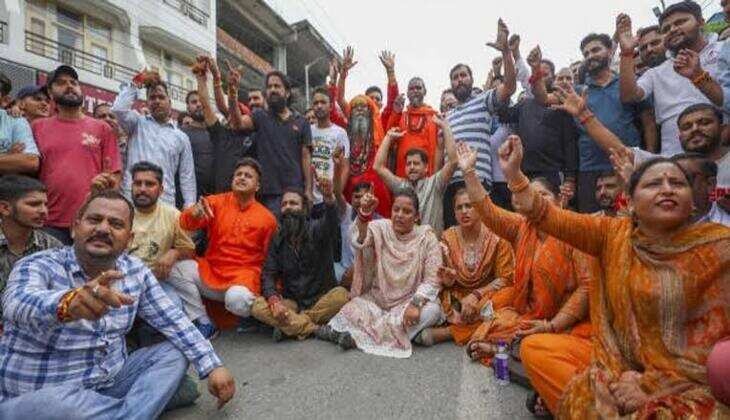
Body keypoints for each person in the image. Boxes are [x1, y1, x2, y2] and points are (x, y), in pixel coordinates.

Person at [496, 134, 730, 418]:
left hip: (691, 380)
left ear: (691, 201)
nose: (667, 189)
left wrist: (653, 386)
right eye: (654, 184)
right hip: (618, 363)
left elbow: (716, 354)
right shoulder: (611, 235)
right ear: (631, 201)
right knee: (536, 349)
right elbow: (544, 214)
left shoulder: (719, 245)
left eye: (678, 183)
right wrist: (514, 175)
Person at [0, 190, 235, 418]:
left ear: (129, 239)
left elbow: (174, 321)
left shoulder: (135, 271)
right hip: (40, 395)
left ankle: (119, 412)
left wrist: (212, 366)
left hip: (109, 383)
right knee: (60, 404)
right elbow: (16, 303)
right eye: (94, 220)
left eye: (116, 224)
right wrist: (67, 303)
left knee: (175, 351)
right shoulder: (37, 264)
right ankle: (133, 410)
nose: (103, 229)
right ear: (74, 228)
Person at [455, 141, 592, 370]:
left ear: (559, 200)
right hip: (529, 314)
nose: (536, 201)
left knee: (568, 345)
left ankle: (509, 351)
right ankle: (512, 351)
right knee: (493, 316)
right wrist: (469, 172)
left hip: (565, 320)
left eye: (543, 195)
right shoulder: (522, 226)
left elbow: (587, 288)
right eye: (532, 196)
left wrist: (552, 325)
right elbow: (488, 212)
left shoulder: (573, 230)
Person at [554, 86, 730, 224]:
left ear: (723, 129)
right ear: (679, 136)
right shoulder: (668, 165)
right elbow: (620, 151)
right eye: (686, 127)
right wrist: (584, 115)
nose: (695, 129)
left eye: (704, 122)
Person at [320, 188, 443, 357]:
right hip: (378, 301)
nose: (399, 215)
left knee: (432, 311)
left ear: (417, 216)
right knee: (352, 309)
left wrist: (415, 304)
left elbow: (432, 279)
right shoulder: (381, 228)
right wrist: (364, 214)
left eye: (407, 211)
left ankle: (356, 336)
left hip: (407, 303)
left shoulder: (426, 238)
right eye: (396, 209)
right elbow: (359, 240)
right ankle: (376, 334)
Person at [617, 3, 725, 157]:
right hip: (675, 160)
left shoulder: (724, 50)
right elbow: (629, 96)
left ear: (701, 22)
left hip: (722, 151)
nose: (673, 29)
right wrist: (626, 53)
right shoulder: (655, 73)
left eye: (681, 22)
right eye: (666, 29)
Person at [124, 161, 217, 337]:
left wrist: (174, 252)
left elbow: (189, 250)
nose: (142, 189)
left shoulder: (172, 214)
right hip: (123, 282)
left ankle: (200, 322)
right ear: (131, 186)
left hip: (156, 282)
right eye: (138, 183)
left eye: (149, 184)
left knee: (174, 306)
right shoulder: (121, 212)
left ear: (161, 190)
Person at [179, 158, 277, 320]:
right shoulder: (215, 203)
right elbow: (184, 223)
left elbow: (272, 259)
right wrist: (193, 214)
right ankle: (202, 320)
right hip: (211, 273)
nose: (242, 178)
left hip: (242, 280)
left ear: (257, 186)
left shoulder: (267, 219)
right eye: (238, 174)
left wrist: (273, 292)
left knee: (236, 299)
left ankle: (249, 320)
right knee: (177, 269)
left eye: (248, 176)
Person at [33, 65, 121, 244]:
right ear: (50, 92)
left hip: (91, 222)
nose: (69, 86)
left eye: (73, 82)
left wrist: (107, 186)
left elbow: (115, 175)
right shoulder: (37, 127)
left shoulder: (102, 128)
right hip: (48, 222)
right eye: (61, 83)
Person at [416, 188, 514, 347]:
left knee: (510, 296)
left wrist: (477, 295)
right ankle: (475, 326)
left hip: (487, 297)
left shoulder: (497, 238)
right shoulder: (448, 238)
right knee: (437, 299)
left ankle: (450, 333)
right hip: (458, 300)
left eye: (469, 206)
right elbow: (441, 280)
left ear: (480, 208)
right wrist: (448, 281)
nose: (464, 211)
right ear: (454, 213)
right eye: (459, 208)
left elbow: (506, 279)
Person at [252, 182, 349, 341]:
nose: (288, 207)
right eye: (284, 204)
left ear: (304, 209)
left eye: (293, 203)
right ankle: (317, 330)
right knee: (257, 306)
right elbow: (268, 274)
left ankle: (291, 326)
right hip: (293, 303)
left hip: (322, 300)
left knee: (342, 296)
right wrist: (274, 301)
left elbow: (332, 222)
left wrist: (329, 199)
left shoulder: (317, 229)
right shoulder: (277, 238)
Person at [444, 18, 516, 228]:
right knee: (455, 238)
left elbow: (509, 87)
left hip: (479, 180)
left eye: (463, 75)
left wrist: (506, 51)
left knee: (484, 234)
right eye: (455, 77)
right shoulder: (447, 116)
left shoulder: (483, 101)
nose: (459, 79)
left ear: (471, 79)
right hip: (451, 183)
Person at [571, 32, 642, 213]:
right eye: (586, 53)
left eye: (595, 50)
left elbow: (647, 120)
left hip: (627, 162)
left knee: (630, 216)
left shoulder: (627, 82)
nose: (590, 56)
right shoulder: (578, 91)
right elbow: (543, 97)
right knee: (591, 222)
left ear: (610, 51)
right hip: (590, 167)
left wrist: (647, 155)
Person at [227, 71, 312, 216]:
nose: (272, 89)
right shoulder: (260, 116)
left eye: (277, 86)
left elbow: (306, 157)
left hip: (294, 193)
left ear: (287, 93)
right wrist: (232, 94)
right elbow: (238, 124)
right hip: (267, 195)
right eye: (269, 87)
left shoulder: (302, 122)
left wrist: (308, 190)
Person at [501, 45, 579, 197]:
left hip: (553, 173)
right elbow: (503, 114)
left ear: (553, 78)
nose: (539, 77)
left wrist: (570, 178)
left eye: (544, 74)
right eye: (536, 72)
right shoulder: (524, 104)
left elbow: (570, 142)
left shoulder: (561, 104)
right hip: (524, 173)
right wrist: (508, 81)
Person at [112, 69, 196, 208]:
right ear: (147, 103)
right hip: (132, 198)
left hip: (164, 202)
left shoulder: (181, 137)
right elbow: (118, 109)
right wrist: (137, 82)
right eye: (152, 98)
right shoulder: (136, 123)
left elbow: (187, 176)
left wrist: (189, 206)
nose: (157, 101)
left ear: (170, 102)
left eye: (161, 97)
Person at [374, 116, 458, 236]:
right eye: (409, 164)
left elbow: (453, 161)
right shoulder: (401, 186)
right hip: (406, 246)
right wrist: (388, 137)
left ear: (426, 167)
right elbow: (378, 167)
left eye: (416, 163)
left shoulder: (435, 183)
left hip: (432, 245)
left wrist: (445, 127)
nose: (412, 167)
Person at [0, 176, 62, 319]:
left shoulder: (52, 248)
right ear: (5, 208)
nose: (44, 211)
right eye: (34, 204)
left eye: (45, 204)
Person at [193, 57, 254, 194]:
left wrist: (230, 88)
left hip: (244, 197)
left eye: (238, 113)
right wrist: (201, 78)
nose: (232, 115)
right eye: (231, 112)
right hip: (220, 197)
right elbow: (206, 105)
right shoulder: (220, 133)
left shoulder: (253, 138)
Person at [386, 77, 440, 177]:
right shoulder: (401, 116)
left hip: (427, 177)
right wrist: (396, 113)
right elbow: (389, 139)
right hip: (403, 177)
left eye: (418, 88)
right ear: (407, 93)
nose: (415, 91)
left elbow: (440, 148)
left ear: (425, 91)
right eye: (411, 89)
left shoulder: (434, 117)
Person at [309, 86, 350, 212]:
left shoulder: (340, 133)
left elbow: (345, 167)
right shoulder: (307, 131)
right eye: (316, 103)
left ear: (331, 106)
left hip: (330, 199)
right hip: (310, 199)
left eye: (323, 102)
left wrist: (336, 193)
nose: (319, 106)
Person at [181, 90, 215, 199]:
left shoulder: (216, 132)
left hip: (214, 196)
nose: (199, 104)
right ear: (188, 107)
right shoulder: (181, 134)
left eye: (201, 101)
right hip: (188, 197)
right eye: (194, 102)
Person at [0, 87, 39, 176]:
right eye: (36, 99)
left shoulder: (14, 119)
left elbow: (30, 162)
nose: (44, 104)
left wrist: (7, 158)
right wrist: (8, 157)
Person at [93, 103, 128, 170]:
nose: (108, 119)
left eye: (112, 116)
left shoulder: (128, 147)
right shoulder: (88, 144)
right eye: (102, 116)